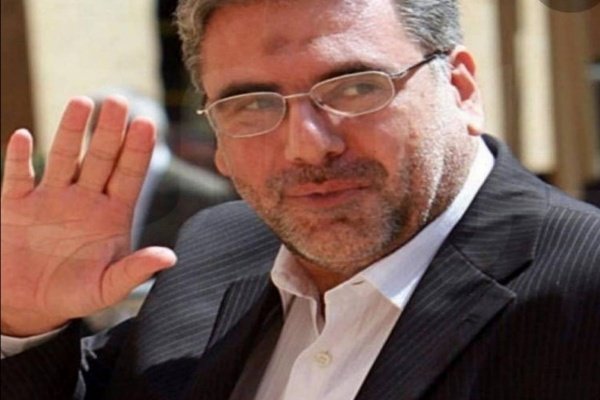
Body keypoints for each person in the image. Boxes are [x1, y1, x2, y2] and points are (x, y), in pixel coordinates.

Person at [1, 0, 599, 399]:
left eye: (356, 88)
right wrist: (27, 323)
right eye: (252, 104)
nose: (307, 146)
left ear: (462, 90)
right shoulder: (216, 250)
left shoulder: (583, 283)